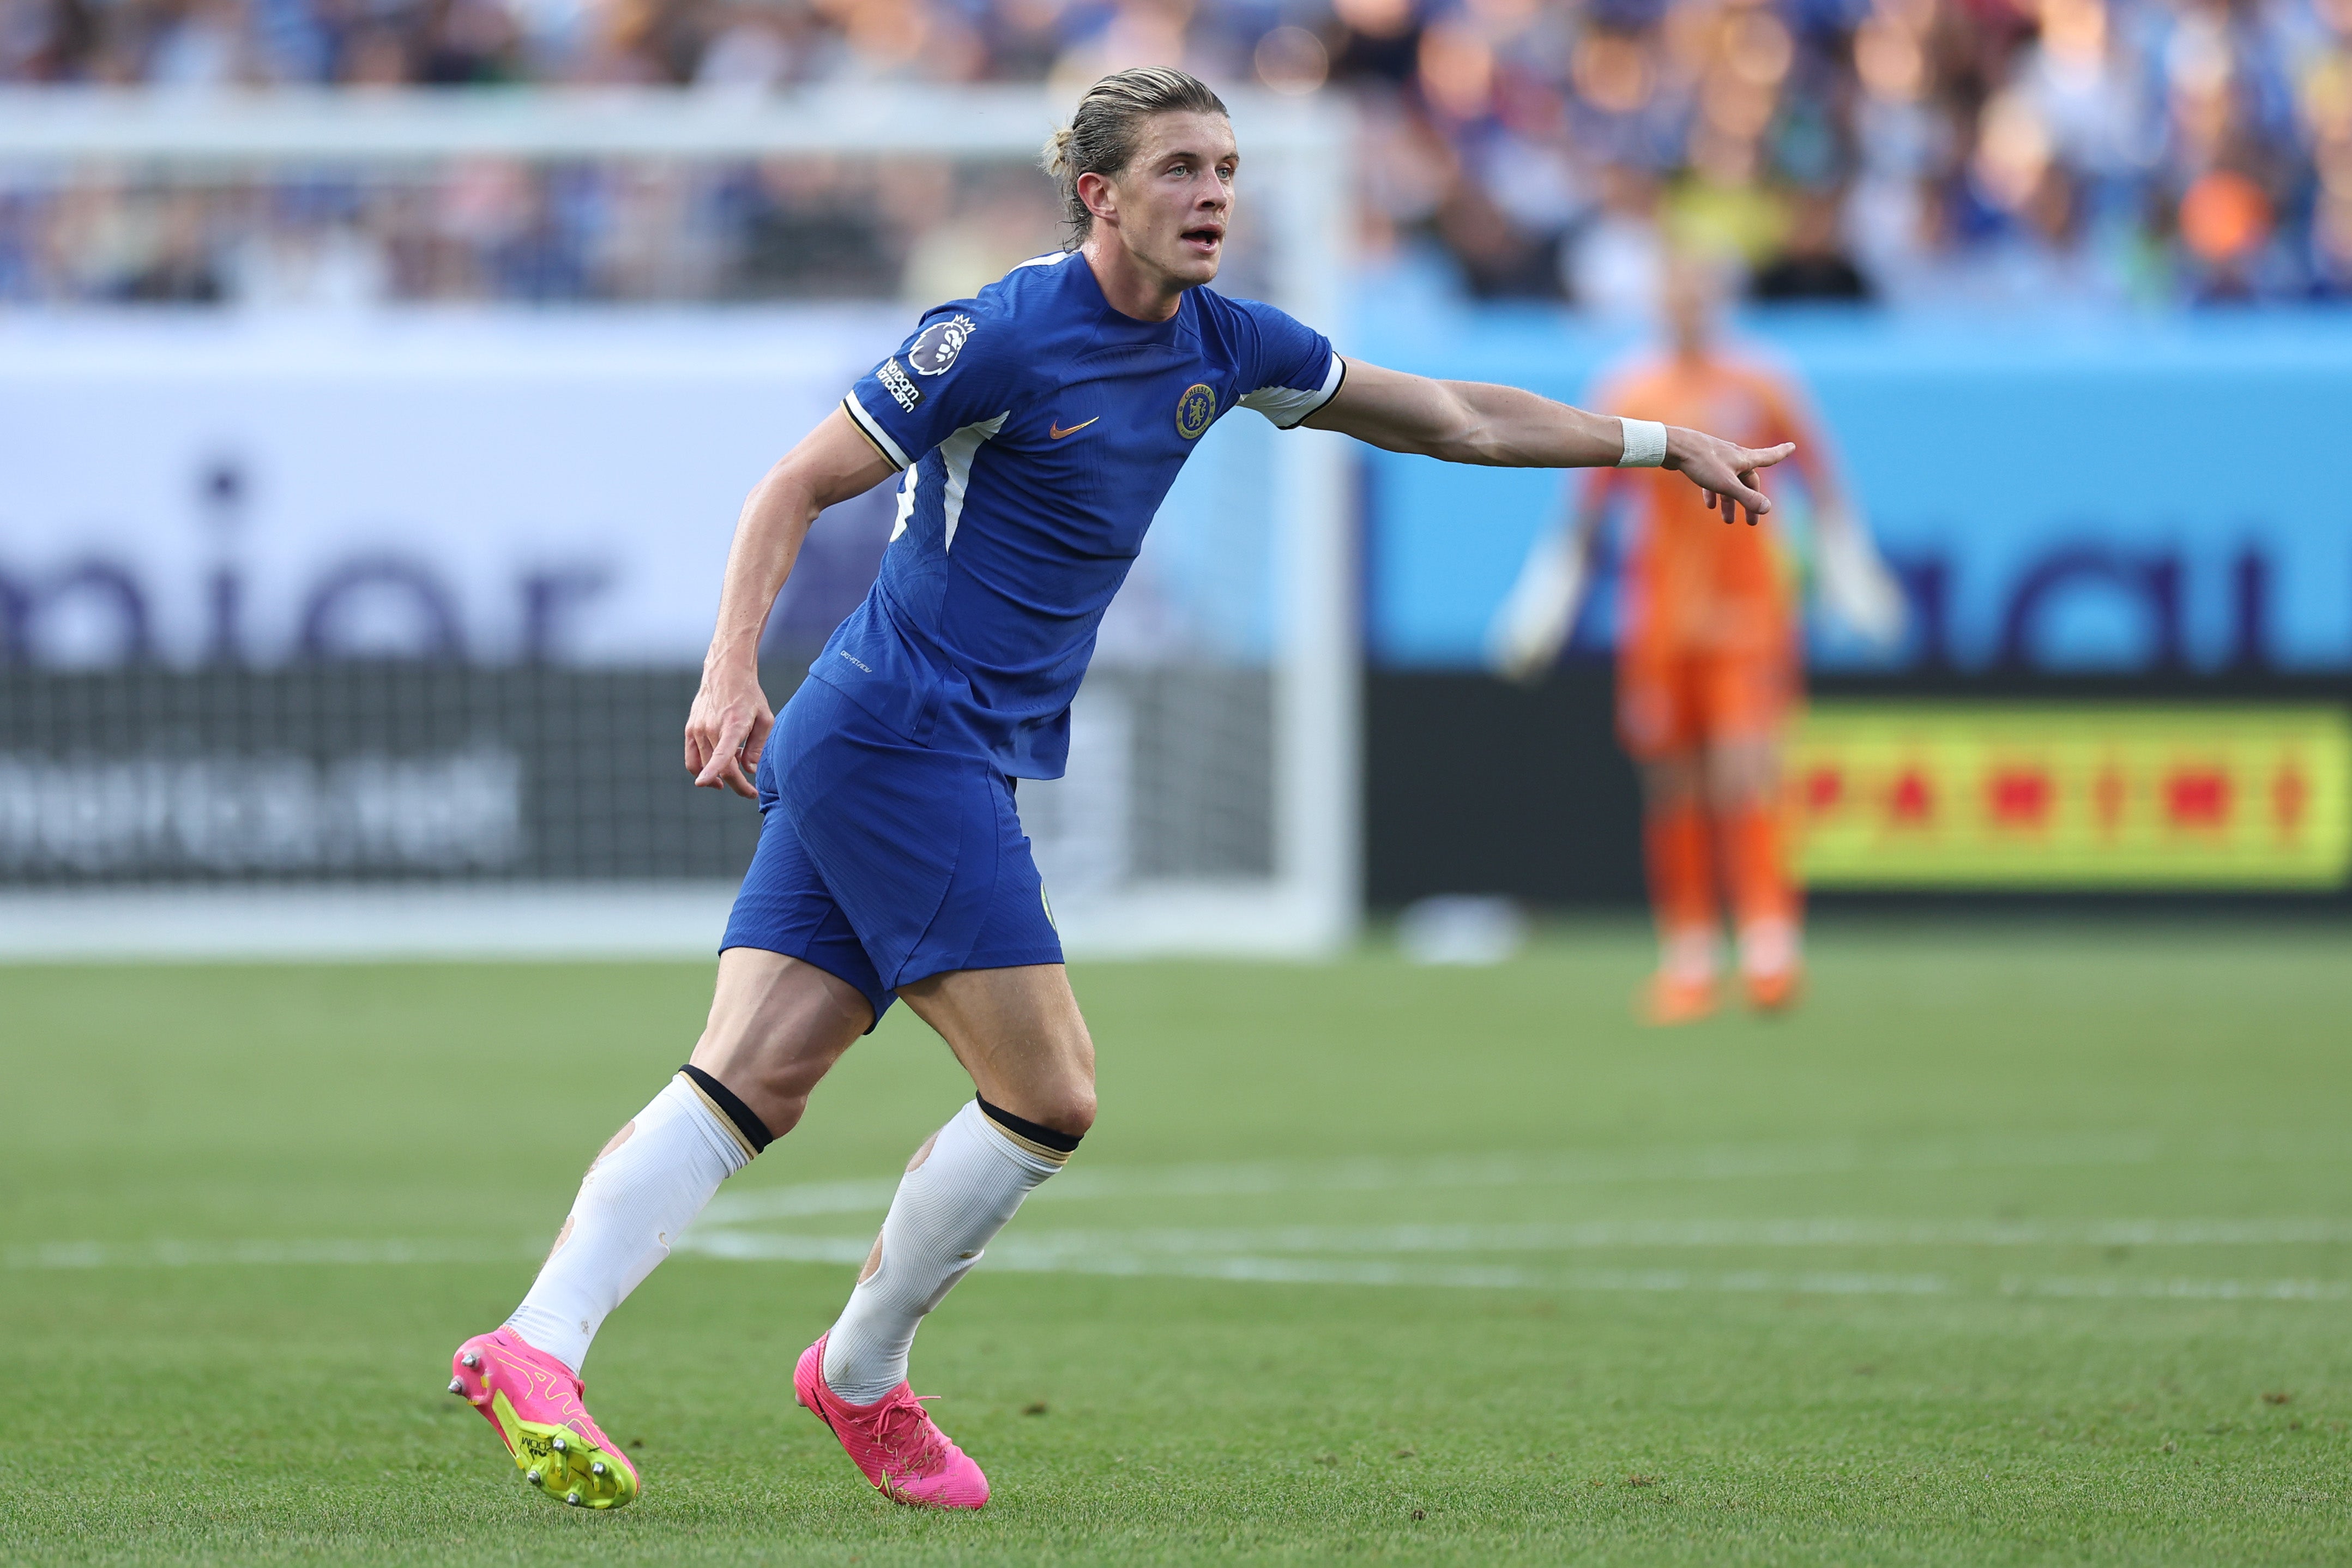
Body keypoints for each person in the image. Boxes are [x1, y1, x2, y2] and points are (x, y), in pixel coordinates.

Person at [445, 67, 1794, 1513]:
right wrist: (727, 670)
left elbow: (1453, 414)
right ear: (1098, 192)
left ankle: (538, 1340)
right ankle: (855, 1375)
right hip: (901, 736)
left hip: (913, 744)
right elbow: (791, 486)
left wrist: (1656, 444)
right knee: (1049, 1091)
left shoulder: (1226, 342)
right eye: (1177, 169)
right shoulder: (999, 335)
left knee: (751, 1075)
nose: (1213, 194)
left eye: (1224, 168)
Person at [1491, 255, 1904, 1026]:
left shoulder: (1761, 383)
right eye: (1672, 288)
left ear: (1718, 297)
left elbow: (1820, 482)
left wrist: (1854, 575)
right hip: (1659, 623)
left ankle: (1769, 949)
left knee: (1744, 770)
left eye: (1697, 287)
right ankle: (1687, 957)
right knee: (1673, 782)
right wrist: (1546, 601)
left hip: (1746, 616)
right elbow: (1586, 510)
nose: (1684, 302)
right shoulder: (1629, 391)